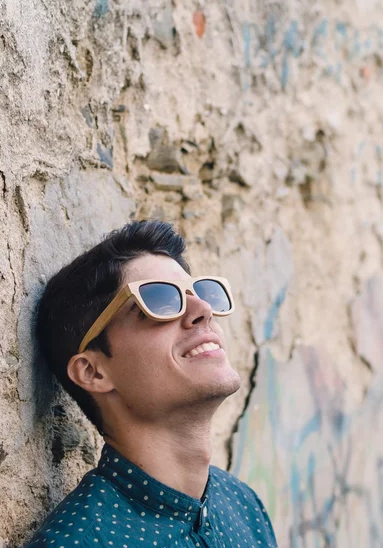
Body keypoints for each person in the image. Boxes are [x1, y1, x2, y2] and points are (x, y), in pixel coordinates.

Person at [25, 220, 278, 547]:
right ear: (94, 372)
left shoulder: (244, 506)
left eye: (200, 292)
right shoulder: (79, 541)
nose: (203, 309)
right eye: (159, 300)